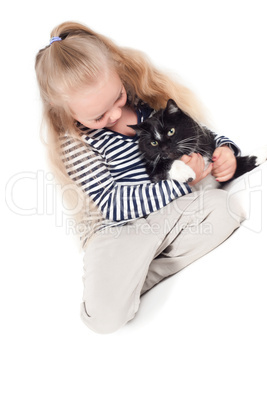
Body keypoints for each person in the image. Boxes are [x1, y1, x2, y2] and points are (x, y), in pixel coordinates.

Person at [35, 21, 243, 334]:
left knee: (226, 208)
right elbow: (113, 204)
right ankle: (123, 279)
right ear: (64, 110)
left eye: (117, 97)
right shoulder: (74, 142)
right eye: (98, 117)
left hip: (171, 215)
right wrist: (180, 183)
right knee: (104, 319)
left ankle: (139, 277)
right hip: (121, 229)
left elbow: (194, 133)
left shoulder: (145, 100)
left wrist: (224, 149)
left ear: (117, 70)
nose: (115, 115)